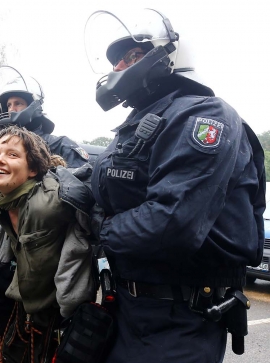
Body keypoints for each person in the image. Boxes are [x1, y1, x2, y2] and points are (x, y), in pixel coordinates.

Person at [85, 9, 265, 363]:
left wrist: (92, 228)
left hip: (179, 321)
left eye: (130, 56)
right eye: (117, 60)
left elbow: (169, 224)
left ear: (167, 54)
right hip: (125, 310)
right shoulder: (136, 125)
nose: (119, 66)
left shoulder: (205, 116)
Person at [0, 66, 92, 362]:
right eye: (7, 105)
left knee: (39, 348)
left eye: (18, 103)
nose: (11, 109)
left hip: (43, 271)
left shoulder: (61, 146)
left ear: (34, 106)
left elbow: (79, 199)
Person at [0, 126, 96, 362]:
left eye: (12, 155)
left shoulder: (46, 201)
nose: (0, 160)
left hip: (55, 317)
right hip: (25, 311)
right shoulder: (7, 201)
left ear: (33, 169)